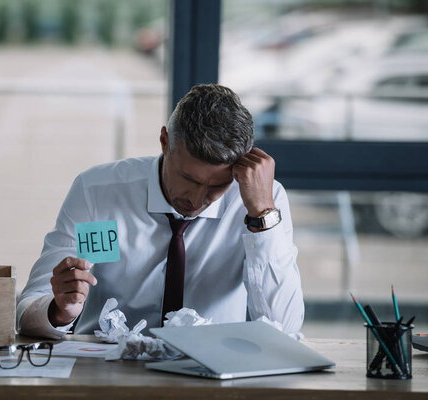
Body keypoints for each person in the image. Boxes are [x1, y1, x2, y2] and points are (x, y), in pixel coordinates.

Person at [17, 84, 304, 339]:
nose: (196, 199)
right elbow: (29, 309)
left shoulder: (261, 201)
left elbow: (285, 328)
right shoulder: (101, 193)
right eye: (189, 179)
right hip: (108, 371)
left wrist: (262, 216)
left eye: (217, 186)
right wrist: (60, 311)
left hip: (213, 376)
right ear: (165, 141)